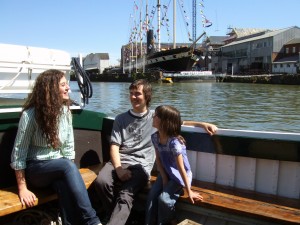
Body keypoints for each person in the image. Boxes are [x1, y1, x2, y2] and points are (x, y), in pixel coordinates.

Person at [94, 79, 217, 225]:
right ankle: (119, 218)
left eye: (137, 93)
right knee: (101, 182)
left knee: (125, 194)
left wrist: (202, 124)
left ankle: (116, 220)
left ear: (147, 96)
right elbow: (114, 146)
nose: (133, 97)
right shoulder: (121, 119)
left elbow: (178, 122)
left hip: (141, 164)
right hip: (120, 161)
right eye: (131, 93)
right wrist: (119, 169)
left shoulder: (156, 117)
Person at [10, 69, 102, 225]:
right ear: (50, 89)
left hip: (58, 168)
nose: (68, 88)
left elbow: (68, 146)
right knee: (67, 166)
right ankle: (92, 221)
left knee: (64, 184)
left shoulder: (65, 112)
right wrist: (22, 188)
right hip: (36, 170)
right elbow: (19, 153)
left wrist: (70, 177)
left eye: (67, 84)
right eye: (63, 85)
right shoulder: (30, 115)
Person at [145, 105, 204, 225]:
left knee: (164, 200)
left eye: (156, 115)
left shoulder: (174, 143)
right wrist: (165, 180)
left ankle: (169, 220)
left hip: (179, 176)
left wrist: (189, 191)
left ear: (164, 122)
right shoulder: (155, 137)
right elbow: (159, 160)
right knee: (152, 195)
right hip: (165, 172)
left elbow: (182, 169)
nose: (153, 116)